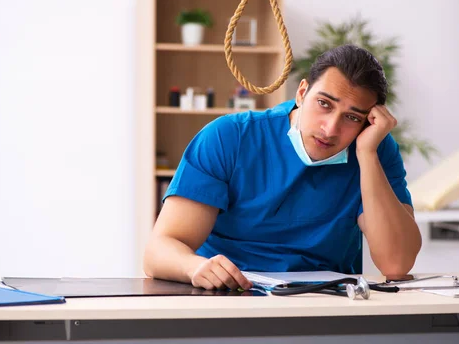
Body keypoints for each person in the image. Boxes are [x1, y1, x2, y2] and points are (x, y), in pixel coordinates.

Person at [143, 44, 422, 291]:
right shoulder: (229, 137)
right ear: (302, 93)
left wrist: (367, 153)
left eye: (352, 117)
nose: (331, 128)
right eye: (324, 104)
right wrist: (193, 267)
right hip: (229, 298)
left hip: (325, 308)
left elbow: (396, 264)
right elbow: (158, 251)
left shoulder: (374, 151)